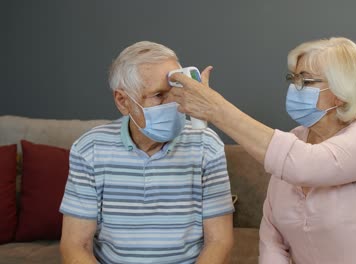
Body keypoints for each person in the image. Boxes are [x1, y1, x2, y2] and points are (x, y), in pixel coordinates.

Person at [168, 37, 356, 263]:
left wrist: (216, 109)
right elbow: (272, 239)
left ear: (342, 91)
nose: (295, 88)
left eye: (306, 82)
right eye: (293, 79)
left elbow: (306, 166)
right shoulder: (294, 142)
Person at [59, 41, 234, 264]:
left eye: (176, 91)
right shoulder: (89, 149)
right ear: (123, 101)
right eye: (160, 95)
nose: (173, 103)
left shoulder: (207, 147)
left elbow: (219, 241)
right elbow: (76, 245)